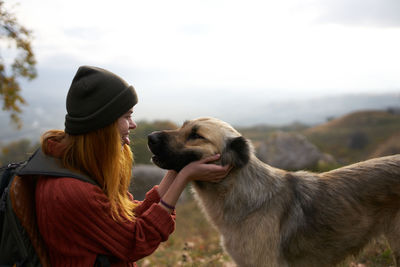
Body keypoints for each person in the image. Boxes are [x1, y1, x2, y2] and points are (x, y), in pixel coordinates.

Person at [36, 66, 231, 266]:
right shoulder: (72, 191)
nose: (133, 124)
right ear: (104, 124)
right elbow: (135, 241)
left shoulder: (77, 168)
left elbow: (127, 217)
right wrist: (184, 178)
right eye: (127, 116)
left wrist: (177, 166)